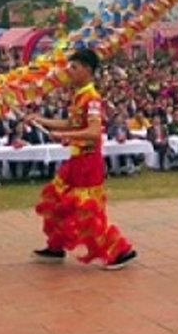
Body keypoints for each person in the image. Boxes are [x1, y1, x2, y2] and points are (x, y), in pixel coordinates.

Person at [28, 48, 137, 270]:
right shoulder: (79, 96)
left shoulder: (92, 98)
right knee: (59, 201)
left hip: (88, 163)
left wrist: (65, 136)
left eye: (74, 67)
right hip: (76, 161)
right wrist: (41, 120)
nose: (70, 72)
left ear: (87, 70)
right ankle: (56, 246)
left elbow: (94, 132)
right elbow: (71, 124)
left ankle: (120, 251)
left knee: (88, 210)